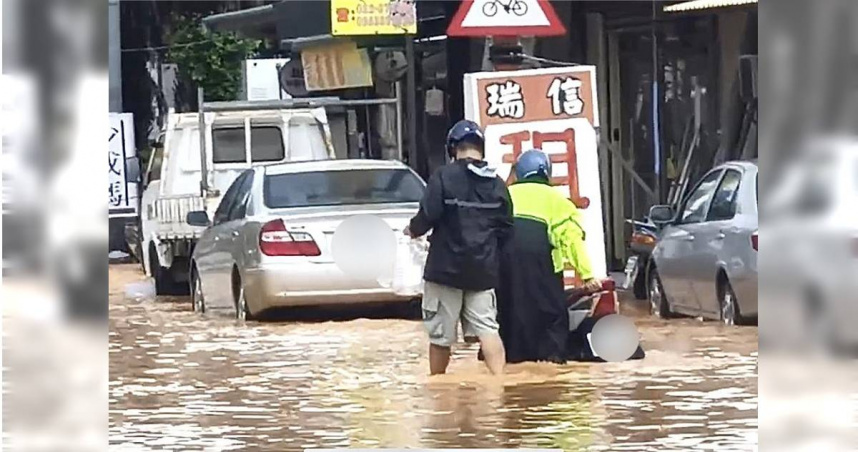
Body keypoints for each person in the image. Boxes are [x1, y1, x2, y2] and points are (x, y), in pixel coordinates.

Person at [404, 119, 513, 375]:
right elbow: (507, 228)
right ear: (480, 148)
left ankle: (438, 387)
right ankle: (499, 385)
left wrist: (412, 230)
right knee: (488, 331)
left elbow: (428, 214)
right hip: (482, 272)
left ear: (452, 148)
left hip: (445, 271)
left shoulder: (443, 176)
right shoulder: (497, 183)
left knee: (441, 337)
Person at [496, 148, 602, 364]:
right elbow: (572, 240)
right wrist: (588, 276)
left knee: (507, 327)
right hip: (544, 277)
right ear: (547, 174)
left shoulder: (503, 196)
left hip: (504, 274)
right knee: (552, 330)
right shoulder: (559, 202)